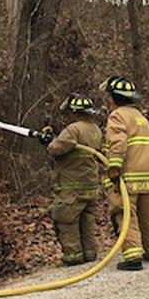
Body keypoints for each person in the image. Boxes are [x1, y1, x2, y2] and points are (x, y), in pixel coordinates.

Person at [99, 75, 149, 271]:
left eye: (108, 96)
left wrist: (114, 169)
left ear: (112, 98)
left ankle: (133, 256)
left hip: (127, 177)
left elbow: (118, 143)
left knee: (125, 214)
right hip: (147, 177)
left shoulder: (117, 116)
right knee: (148, 215)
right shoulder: (140, 117)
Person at [40, 93, 102, 266]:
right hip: (90, 183)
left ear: (74, 112)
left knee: (67, 220)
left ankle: (73, 255)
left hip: (71, 185)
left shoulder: (72, 129)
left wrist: (48, 141)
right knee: (87, 220)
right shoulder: (94, 129)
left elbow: (55, 149)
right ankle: (89, 252)